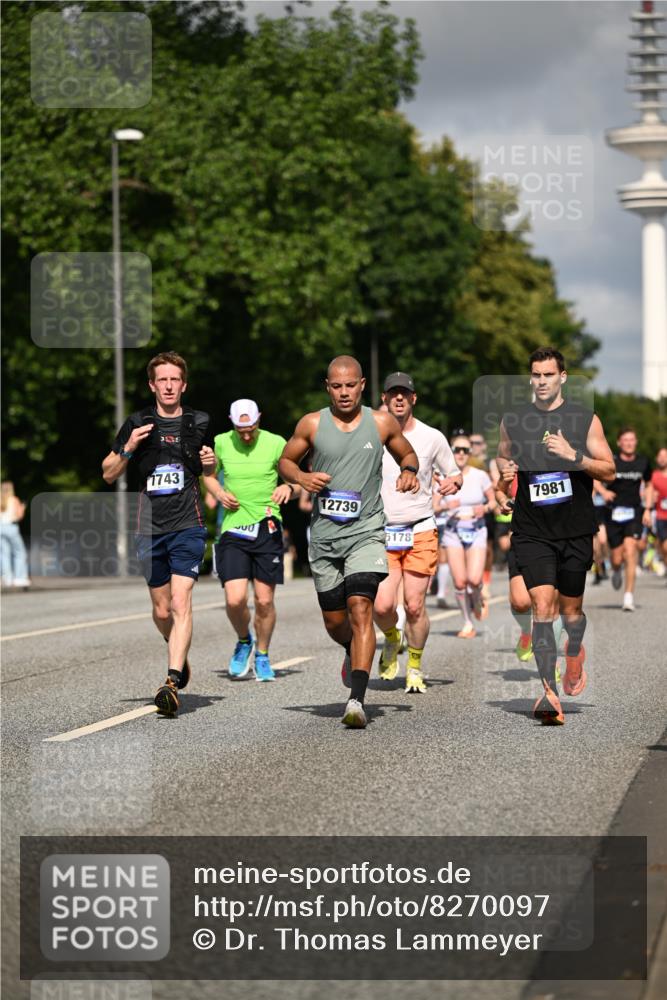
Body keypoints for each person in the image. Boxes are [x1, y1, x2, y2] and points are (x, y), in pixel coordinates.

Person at [278, 355, 419, 729]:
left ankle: (356, 699)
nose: (344, 392)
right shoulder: (311, 423)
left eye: (350, 385)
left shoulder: (381, 422)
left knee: (361, 607)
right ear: (328, 387)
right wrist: (301, 478)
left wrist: (409, 471)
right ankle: (350, 648)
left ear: (362, 385)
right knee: (335, 622)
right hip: (325, 538)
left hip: (366, 532)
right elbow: (286, 461)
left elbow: (407, 452)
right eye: (337, 386)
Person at [496, 347, 615, 725]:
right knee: (542, 609)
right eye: (536, 375)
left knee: (572, 613)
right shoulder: (514, 420)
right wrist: (504, 473)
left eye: (549, 375)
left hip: (575, 529)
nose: (542, 381)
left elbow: (609, 470)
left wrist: (573, 456)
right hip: (532, 530)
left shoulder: (584, 420)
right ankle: (549, 692)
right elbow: (502, 455)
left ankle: (574, 649)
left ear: (562, 377)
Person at [102, 351, 216, 716]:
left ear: (184, 384)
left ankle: (171, 680)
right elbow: (108, 472)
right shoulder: (138, 422)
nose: (168, 386)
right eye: (162, 380)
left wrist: (211, 465)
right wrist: (128, 448)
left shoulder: (199, 421)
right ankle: (175, 645)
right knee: (162, 608)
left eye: (174, 380)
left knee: (181, 602)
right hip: (149, 530)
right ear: (152, 385)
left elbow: (208, 470)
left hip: (188, 525)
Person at [373, 372, 461, 692]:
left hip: (420, 528)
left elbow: (454, 473)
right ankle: (391, 637)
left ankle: (414, 666)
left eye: (404, 393)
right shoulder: (372, 434)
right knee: (382, 607)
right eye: (392, 393)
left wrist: (453, 482)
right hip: (381, 530)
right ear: (384, 398)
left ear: (413, 398)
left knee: (414, 606)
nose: (398, 398)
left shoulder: (432, 437)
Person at [203, 399, 297, 681]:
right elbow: (208, 477)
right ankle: (244, 640)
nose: (246, 435)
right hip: (234, 529)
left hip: (267, 526)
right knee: (234, 601)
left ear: (259, 420)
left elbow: (298, 477)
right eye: (240, 430)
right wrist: (219, 493)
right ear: (232, 424)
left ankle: (263, 654)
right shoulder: (221, 442)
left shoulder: (276, 443)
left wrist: (288, 487)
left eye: (251, 429)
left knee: (264, 601)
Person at [436, 434, 496, 638]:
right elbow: (433, 506)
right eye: (457, 450)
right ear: (451, 451)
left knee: (474, 579)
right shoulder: (442, 475)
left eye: (465, 450)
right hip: (453, 530)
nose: (461, 454)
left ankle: (478, 598)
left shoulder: (480, 475)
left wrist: (484, 508)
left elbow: (493, 501)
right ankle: (467, 622)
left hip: (476, 529)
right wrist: (446, 506)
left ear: (470, 453)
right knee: (460, 582)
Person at [596, 428, 652, 612]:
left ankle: (628, 597)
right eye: (625, 440)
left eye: (632, 440)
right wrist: (603, 492)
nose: (629, 443)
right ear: (619, 442)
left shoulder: (643, 462)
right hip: (613, 513)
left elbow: (649, 485)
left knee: (631, 549)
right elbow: (594, 478)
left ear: (636, 442)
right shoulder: (611, 461)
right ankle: (616, 569)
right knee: (617, 558)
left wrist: (648, 509)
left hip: (634, 512)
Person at [0, 481, 31, 589]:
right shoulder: (14, 500)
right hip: (11, 527)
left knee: (4, 554)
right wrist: (22, 508)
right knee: (19, 552)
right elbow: (19, 516)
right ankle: (20, 578)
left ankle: (7, 579)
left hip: (1, 528)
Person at [644, 446, 667, 573]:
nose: (662, 459)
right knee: (665, 547)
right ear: (656, 459)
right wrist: (651, 496)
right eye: (660, 456)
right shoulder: (653, 476)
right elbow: (645, 493)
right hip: (660, 516)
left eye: (665, 456)